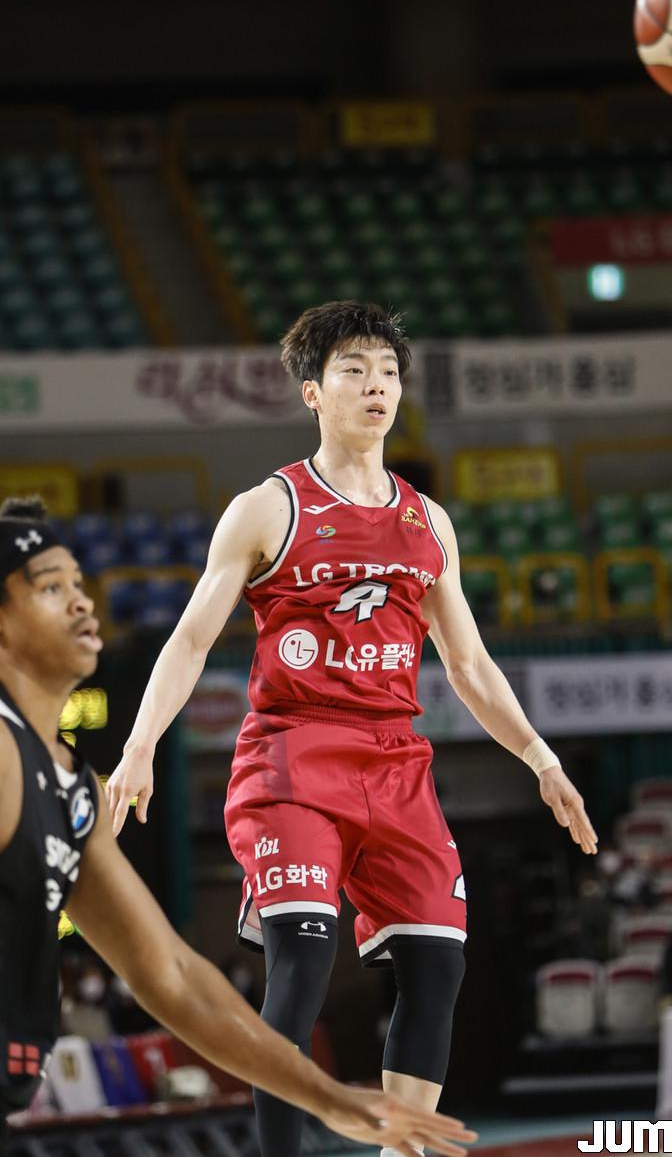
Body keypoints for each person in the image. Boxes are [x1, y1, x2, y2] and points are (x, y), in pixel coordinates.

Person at [106, 301, 598, 1157]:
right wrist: (140, 745)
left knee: (438, 967)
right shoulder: (267, 508)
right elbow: (188, 641)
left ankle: (402, 1151)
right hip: (292, 757)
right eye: (355, 371)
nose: (377, 386)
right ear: (313, 393)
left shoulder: (428, 521)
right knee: (301, 961)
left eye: (389, 372)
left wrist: (540, 759)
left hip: (395, 764)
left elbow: (470, 665)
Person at [0, 495, 476, 1157]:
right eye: (52, 589)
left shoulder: (69, 787)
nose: (84, 603)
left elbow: (174, 976)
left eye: (79, 583)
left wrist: (332, 1100)